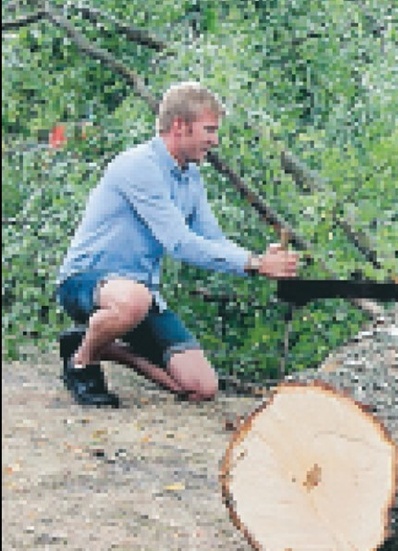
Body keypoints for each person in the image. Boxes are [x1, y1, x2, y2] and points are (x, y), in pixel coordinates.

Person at [55, 81, 299, 407]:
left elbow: (212, 239)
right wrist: (253, 263)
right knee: (133, 299)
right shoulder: (139, 166)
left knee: (202, 387)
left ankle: (98, 345)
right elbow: (179, 243)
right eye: (209, 130)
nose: (214, 140)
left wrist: (257, 260)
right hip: (85, 282)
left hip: (140, 294)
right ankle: (82, 363)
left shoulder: (191, 178)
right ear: (180, 126)